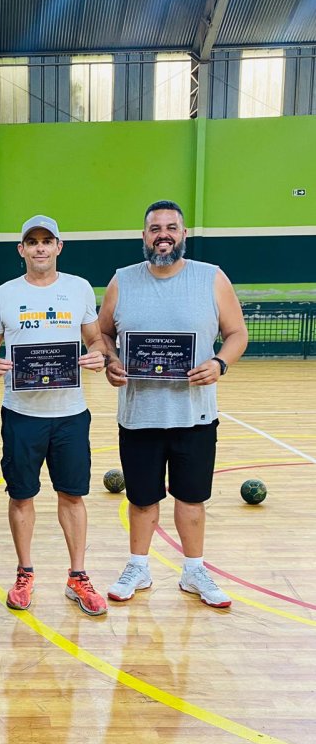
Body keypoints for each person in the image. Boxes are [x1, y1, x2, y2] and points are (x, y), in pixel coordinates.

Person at [98, 199, 248, 608]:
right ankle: (138, 566)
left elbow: (237, 334)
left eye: (171, 227)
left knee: (192, 498)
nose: (162, 234)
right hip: (139, 414)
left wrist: (219, 363)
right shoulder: (122, 281)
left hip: (194, 413)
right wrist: (112, 361)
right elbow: (104, 333)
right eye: (154, 228)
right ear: (144, 236)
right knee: (141, 499)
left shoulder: (211, 278)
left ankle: (194, 569)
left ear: (182, 234)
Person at [0, 214, 108, 616]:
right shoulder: (3, 294)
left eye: (46, 241)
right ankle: (25, 572)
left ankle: (78, 576)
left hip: (70, 413)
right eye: (31, 241)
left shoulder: (79, 289)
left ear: (58, 247)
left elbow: (96, 337)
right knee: (22, 495)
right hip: (21, 413)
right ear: (21, 249)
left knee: (72, 494)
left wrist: (100, 354)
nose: (39, 247)